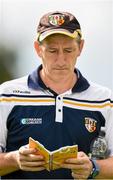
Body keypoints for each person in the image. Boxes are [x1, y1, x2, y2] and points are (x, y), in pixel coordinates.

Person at [0, 11, 113, 179]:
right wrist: (15, 159)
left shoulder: (104, 100)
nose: (61, 60)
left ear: (80, 47)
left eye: (68, 50)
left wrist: (93, 167)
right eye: (52, 50)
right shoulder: (6, 94)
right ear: (38, 49)